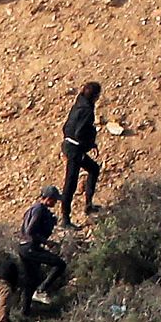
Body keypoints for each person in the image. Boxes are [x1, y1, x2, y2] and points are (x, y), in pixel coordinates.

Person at [59, 81, 102, 227]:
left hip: (70, 144)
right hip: (75, 149)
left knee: (94, 169)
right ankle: (65, 219)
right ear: (95, 96)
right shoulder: (87, 110)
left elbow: (68, 127)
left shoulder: (79, 102)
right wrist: (89, 143)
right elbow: (80, 132)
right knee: (70, 183)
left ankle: (89, 205)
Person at [17, 186, 66, 312]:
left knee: (31, 280)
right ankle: (41, 290)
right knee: (60, 264)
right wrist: (47, 242)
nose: (55, 203)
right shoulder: (39, 210)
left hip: (23, 247)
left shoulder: (33, 209)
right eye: (54, 200)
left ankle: (24, 312)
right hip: (30, 247)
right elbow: (30, 231)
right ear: (48, 199)